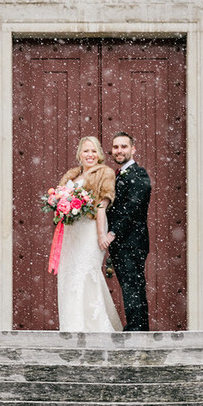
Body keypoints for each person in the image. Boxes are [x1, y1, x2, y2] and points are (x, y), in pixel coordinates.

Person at [56, 136, 122, 332]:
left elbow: (102, 204)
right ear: (80, 154)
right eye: (86, 151)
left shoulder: (105, 173)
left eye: (94, 151)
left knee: (85, 272)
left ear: (99, 154)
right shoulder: (72, 175)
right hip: (71, 231)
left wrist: (101, 234)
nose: (90, 155)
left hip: (90, 229)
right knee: (68, 273)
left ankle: (94, 326)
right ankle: (72, 324)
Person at [102, 131, 152, 331]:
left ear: (133, 149)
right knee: (129, 286)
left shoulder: (139, 175)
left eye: (124, 146)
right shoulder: (118, 174)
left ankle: (137, 329)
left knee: (133, 287)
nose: (119, 150)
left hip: (132, 242)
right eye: (116, 147)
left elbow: (131, 209)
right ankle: (137, 328)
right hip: (122, 243)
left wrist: (112, 233)